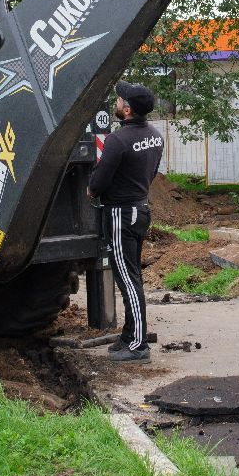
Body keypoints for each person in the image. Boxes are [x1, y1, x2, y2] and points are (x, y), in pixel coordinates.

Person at [87, 81, 164, 363]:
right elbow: (151, 173)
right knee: (132, 275)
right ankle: (129, 334)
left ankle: (138, 345)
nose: (116, 102)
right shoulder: (155, 136)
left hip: (121, 214)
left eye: (119, 100)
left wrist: (91, 189)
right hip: (140, 209)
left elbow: (99, 180)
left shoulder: (118, 141)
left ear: (127, 110)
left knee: (128, 281)